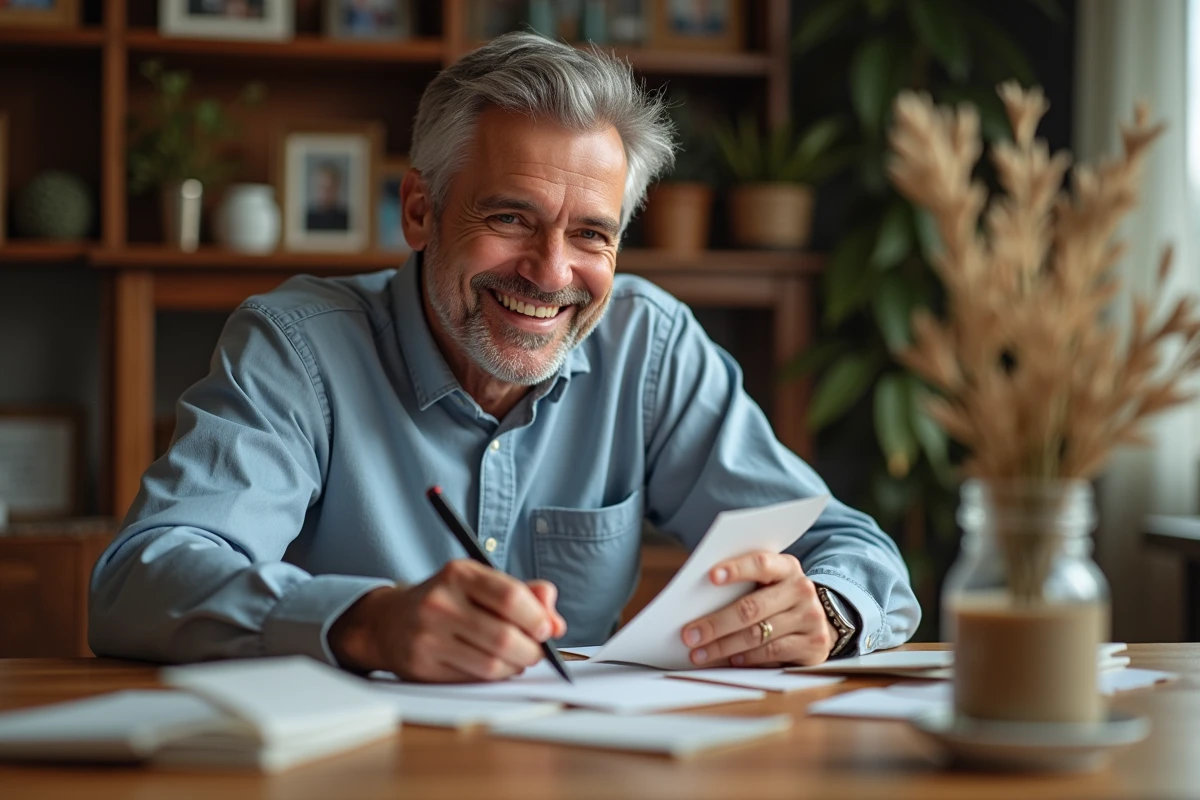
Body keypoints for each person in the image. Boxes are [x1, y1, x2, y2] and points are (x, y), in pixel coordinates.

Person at [89, 32, 919, 682]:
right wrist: (366, 621)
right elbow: (140, 580)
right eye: (511, 219)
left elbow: (854, 548)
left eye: (590, 234)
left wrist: (826, 611)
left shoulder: (649, 346)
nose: (551, 274)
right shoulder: (298, 346)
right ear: (421, 211)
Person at [305, 160, 350, 231]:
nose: (325, 193)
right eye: (321, 187)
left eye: (330, 188)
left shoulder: (348, 220)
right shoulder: (305, 219)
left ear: (337, 188)